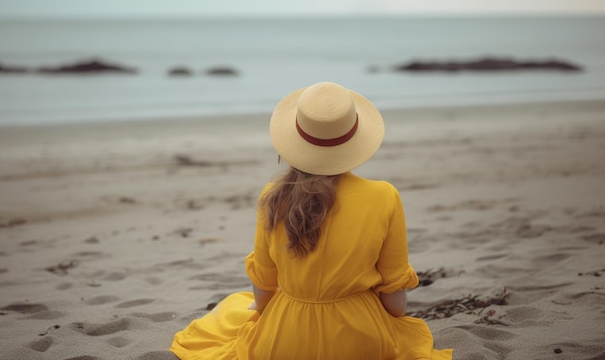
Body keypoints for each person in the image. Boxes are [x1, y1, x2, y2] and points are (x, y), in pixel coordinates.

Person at [170, 82, 452, 360]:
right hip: (361, 343)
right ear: (353, 139)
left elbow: (264, 289)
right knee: (407, 333)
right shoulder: (384, 196)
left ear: (294, 139)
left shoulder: (273, 197)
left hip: (283, 344)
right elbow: (396, 304)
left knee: (236, 306)